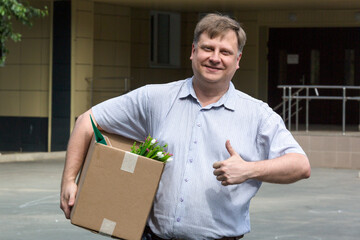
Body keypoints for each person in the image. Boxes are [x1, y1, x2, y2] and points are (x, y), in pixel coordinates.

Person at [60, 13, 311, 240]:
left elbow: (300, 165)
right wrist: (70, 181)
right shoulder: (154, 99)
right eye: (207, 48)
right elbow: (87, 121)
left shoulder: (258, 115)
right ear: (193, 51)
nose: (214, 57)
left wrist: (249, 170)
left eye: (225, 52)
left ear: (238, 60)